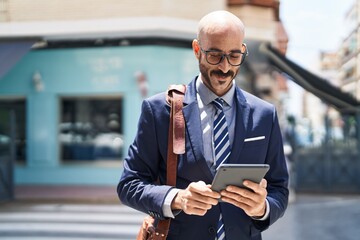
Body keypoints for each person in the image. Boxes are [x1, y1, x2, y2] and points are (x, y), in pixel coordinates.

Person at [117, 10, 289, 240]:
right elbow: (129, 184)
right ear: (197, 50)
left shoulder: (265, 114)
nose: (225, 67)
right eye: (215, 55)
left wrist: (262, 209)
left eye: (234, 56)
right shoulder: (159, 110)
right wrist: (177, 198)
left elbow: (279, 189)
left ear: (243, 51)